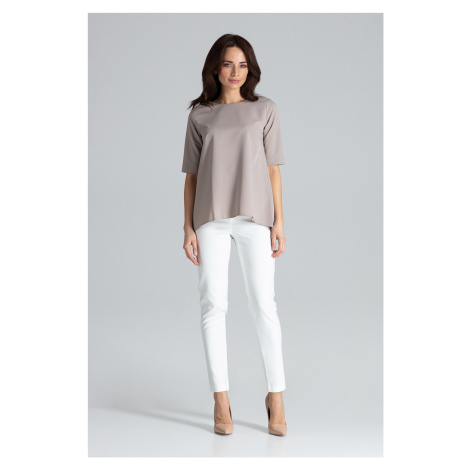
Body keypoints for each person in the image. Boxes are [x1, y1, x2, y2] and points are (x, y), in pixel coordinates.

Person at [181, 34, 287, 436]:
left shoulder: (265, 109)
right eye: (228, 64)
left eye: (242, 65)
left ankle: (276, 397)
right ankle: (221, 400)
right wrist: (187, 226)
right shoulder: (200, 115)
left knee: (264, 305)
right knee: (213, 305)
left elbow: (273, 169)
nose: (235, 72)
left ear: (250, 69)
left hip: (254, 217)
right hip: (209, 218)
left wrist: (279, 222)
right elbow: (192, 177)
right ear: (215, 68)